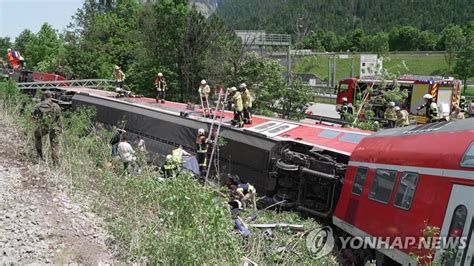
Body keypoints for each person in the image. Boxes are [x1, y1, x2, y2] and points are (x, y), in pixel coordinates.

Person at [32, 90, 62, 165]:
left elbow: (33, 117)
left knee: (37, 136)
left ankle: (39, 156)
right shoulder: (56, 106)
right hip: (54, 127)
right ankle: (56, 162)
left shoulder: (38, 105)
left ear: (44, 96)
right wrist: (61, 128)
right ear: (51, 96)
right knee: (54, 144)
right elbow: (59, 118)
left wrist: (37, 123)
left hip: (44, 127)